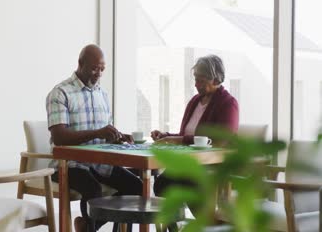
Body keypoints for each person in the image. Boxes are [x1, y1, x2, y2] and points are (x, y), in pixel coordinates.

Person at [46, 44, 143, 232]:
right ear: (80, 64)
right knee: (93, 189)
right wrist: (97, 132)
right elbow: (59, 137)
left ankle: (87, 227)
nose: (98, 74)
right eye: (94, 68)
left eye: (102, 69)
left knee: (136, 186)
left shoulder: (102, 94)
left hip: (100, 163)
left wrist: (118, 136)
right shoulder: (60, 93)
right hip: (69, 165)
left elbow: (103, 134)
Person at [151, 54, 239, 197]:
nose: (196, 84)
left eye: (201, 81)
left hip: (210, 166)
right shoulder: (195, 101)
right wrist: (166, 136)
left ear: (216, 79)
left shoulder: (228, 103)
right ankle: (180, 219)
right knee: (161, 184)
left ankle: (208, 218)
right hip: (189, 163)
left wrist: (178, 140)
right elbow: (186, 136)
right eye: (196, 79)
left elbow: (220, 141)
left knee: (173, 184)